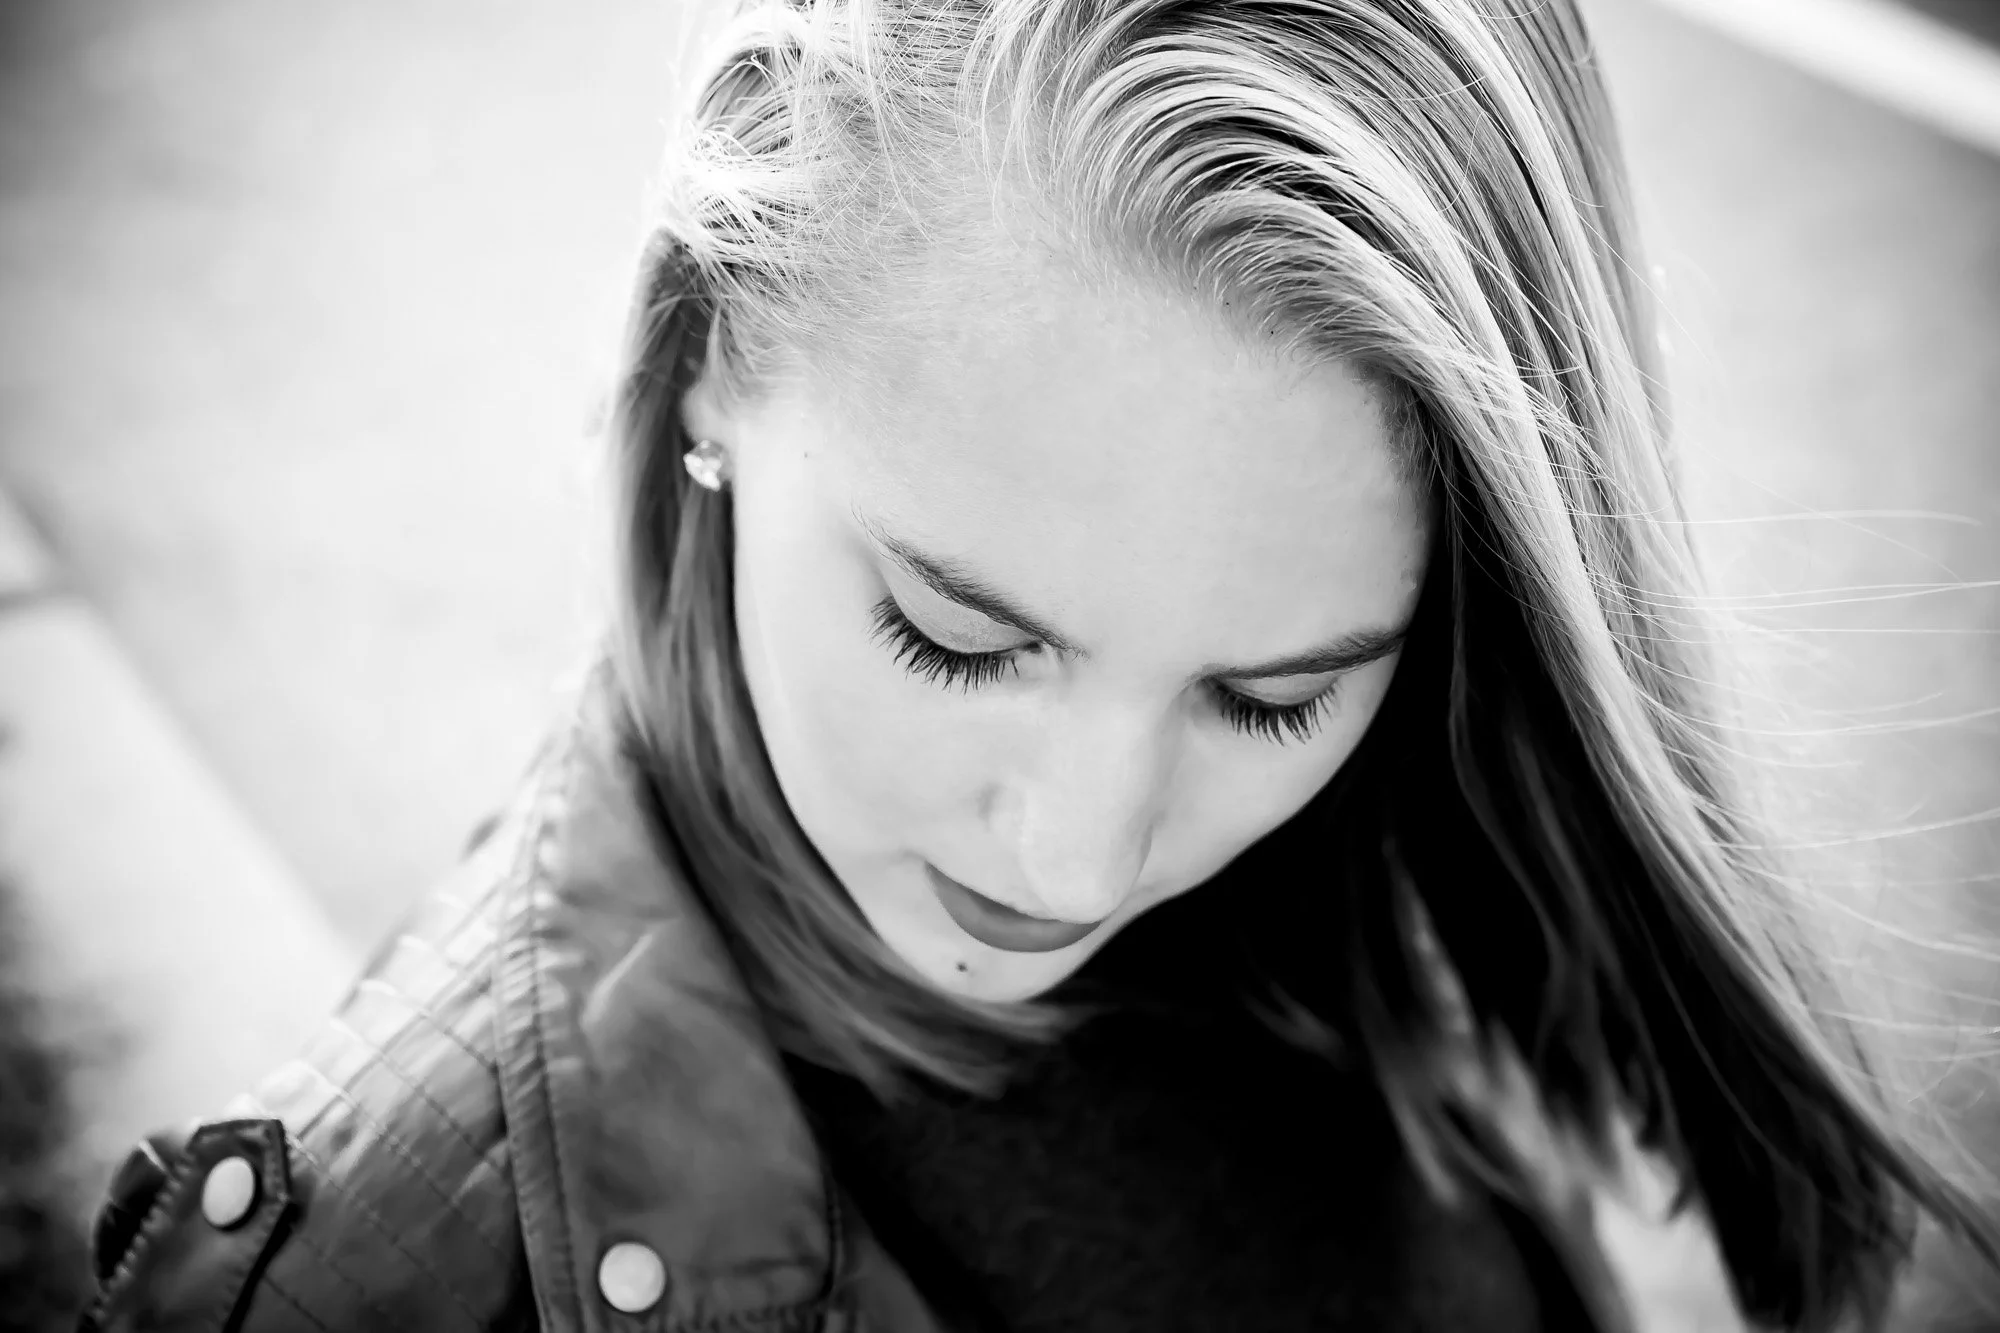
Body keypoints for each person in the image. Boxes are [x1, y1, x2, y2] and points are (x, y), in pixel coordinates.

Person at [74, 1, 1998, 1330]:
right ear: (721, 355)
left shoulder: (1394, 865)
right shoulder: (400, 1270)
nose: (1080, 864)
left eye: (1272, 698)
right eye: (959, 637)